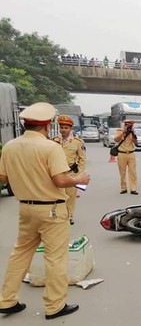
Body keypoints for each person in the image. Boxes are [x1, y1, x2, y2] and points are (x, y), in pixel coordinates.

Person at [0, 102, 90, 319]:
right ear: (48, 125)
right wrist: (80, 179)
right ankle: (54, 306)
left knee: (20, 254)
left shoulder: (10, 146)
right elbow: (60, 180)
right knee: (56, 258)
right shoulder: (50, 147)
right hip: (51, 210)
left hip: (26, 209)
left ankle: (7, 300)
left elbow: (3, 178)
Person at [52, 115, 86, 225]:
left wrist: (79, 174)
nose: (63, 130)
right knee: (57, 196)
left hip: (71, 174)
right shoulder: (54, 141)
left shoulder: (77, 142)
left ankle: (70, 216)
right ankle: (57, 215)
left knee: (70, 197)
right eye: (61, 127)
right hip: (57, 174)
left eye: (66, 128)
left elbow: (82, 159)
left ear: (70, 129)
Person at [114, 120, 138, 195]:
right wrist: (123, 133)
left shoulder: (132, 132)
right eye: (128, 126)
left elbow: (136, 143)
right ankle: (123, 188)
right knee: (122, 172)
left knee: (133, 172)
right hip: (122, 153)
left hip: (131, 153)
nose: (129, 127)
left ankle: (133, 188)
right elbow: (116, 139)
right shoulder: (119, 131)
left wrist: (133, 134)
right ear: (124, 125)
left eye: (130, 126)